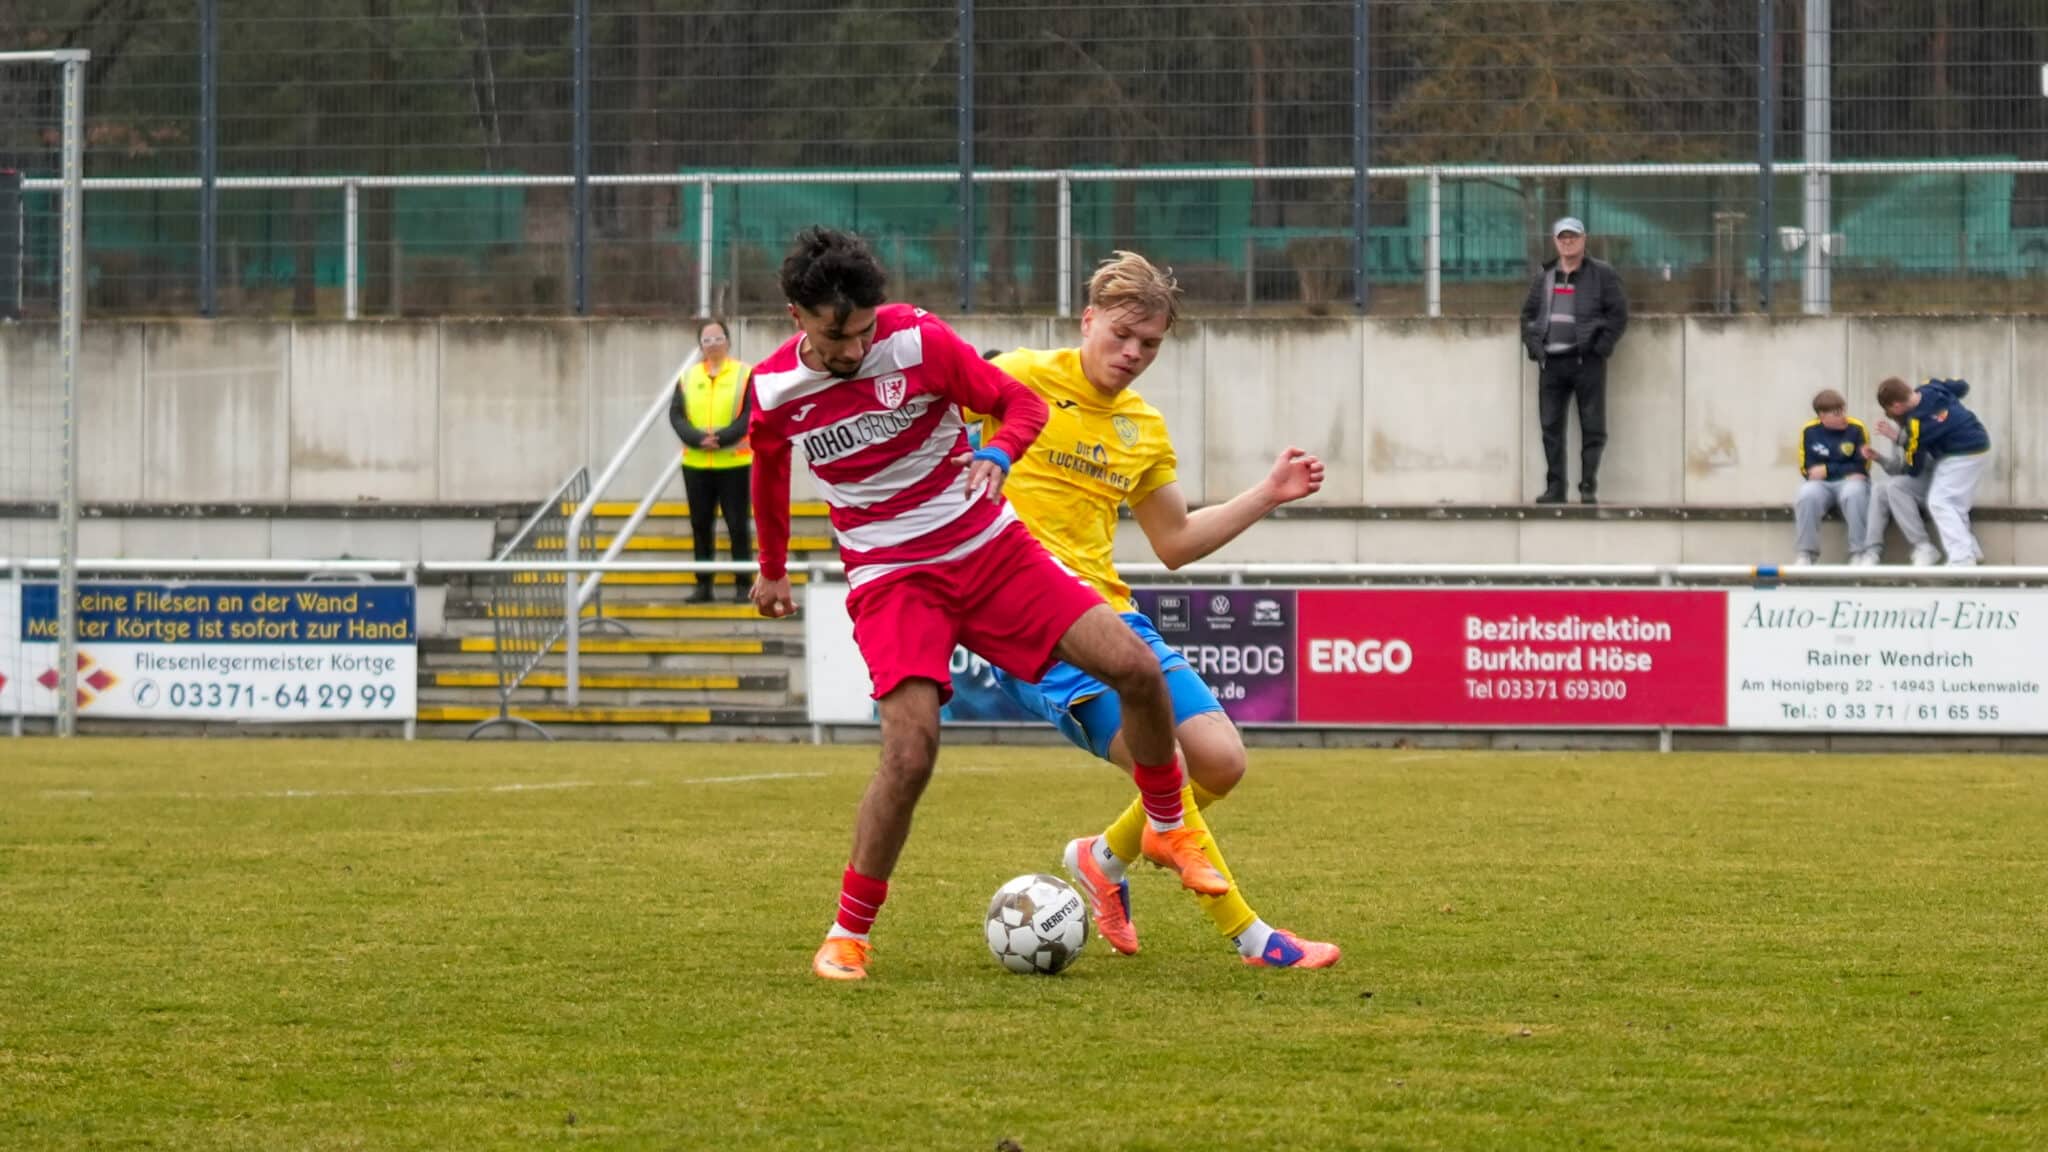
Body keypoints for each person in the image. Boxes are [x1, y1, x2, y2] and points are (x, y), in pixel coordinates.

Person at [746, 227, 1228, 982]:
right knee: (910, 753)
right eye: (838, 336)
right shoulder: (773, 389)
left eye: (865, 330)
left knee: (1136, 667)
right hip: (893, 578)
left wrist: (998, 454)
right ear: (796, 317)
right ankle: (848, 932)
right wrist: (772, 570)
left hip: (991, 551)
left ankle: (1167, 825)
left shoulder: (919, 341)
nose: (856, 349)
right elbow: (768, 471)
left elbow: (1019, 406)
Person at [978, 251, 1340, 969]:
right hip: (1036, 630)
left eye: (1150, 344)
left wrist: (1268, 493)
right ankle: (1255, 940)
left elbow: (1174, 541)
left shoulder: (1141, 427)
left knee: (1223, 763)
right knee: (1166, 767)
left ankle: (1102, 858)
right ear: (1087, 320)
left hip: (1115, 618)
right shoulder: (1015, 377)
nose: (1134, 354)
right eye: (1121, 335)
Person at [1520, 216, 1629, 505]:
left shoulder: (1602, 274)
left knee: (1593, 427)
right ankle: (1555, 488)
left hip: (1586, 362)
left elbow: (1618, 314)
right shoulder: (1544, 276)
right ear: (1555, 242)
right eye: (1562, 237)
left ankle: (1587, 486)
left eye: (1573, 237)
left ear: (1583, 239)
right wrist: (1534, 347)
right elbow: (1528, 315)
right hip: (1551, 364)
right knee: (1550, 428)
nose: (1567, 242)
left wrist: (1600, 347)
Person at [668, 319, 753, 602]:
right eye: (707, 340)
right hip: (696, 463)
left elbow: (750, 413)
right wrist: (696, 438)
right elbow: (676, 415)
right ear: (700, 346)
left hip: (734, 462)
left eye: (718, 338)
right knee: (700, 525)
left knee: (737, 525)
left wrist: (723, 437)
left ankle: (743, 584)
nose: (713, 344)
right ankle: (703, 585)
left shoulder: (744, 374)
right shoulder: (688, 377)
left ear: (728, 341)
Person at [1874, 376, 1991, 567]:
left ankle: (1962, 559)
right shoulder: (1930, 386)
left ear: (1896, 406)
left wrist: (1902, 447)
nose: (1891, 414)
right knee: (1955, 505)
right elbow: (1961, 386)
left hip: (1959, 455)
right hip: (1979, 442)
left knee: (1940, 502)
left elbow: (1914, 463)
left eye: (1889, 410)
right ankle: (1971, 551)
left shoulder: (1916, 424)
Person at [1790, 389, 1869, 566]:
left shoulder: (1857, 428)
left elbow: (1861, 466)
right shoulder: (1809, 431)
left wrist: (1827, 469)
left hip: (1849, 482)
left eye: (1843, 410)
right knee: (1806, 494)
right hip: (1821, 485)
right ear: (1822, 416)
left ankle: (1859, 552)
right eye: (1837, 413)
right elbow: (1808, 470)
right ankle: (1806, 554)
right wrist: (1840, 469)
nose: (1843, 417)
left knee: (1855, 492)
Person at [1854, 432, 1939, 567]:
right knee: (1879, 489)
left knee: (1896, 486)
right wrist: (1879, 458)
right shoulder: (1901, 429)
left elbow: (1930, 462)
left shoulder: (1927, 425)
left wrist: (1903, 441)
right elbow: (1898, 470)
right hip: (1909, 485)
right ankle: (1872, 551)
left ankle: (1924, 546)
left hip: (1936, 484)